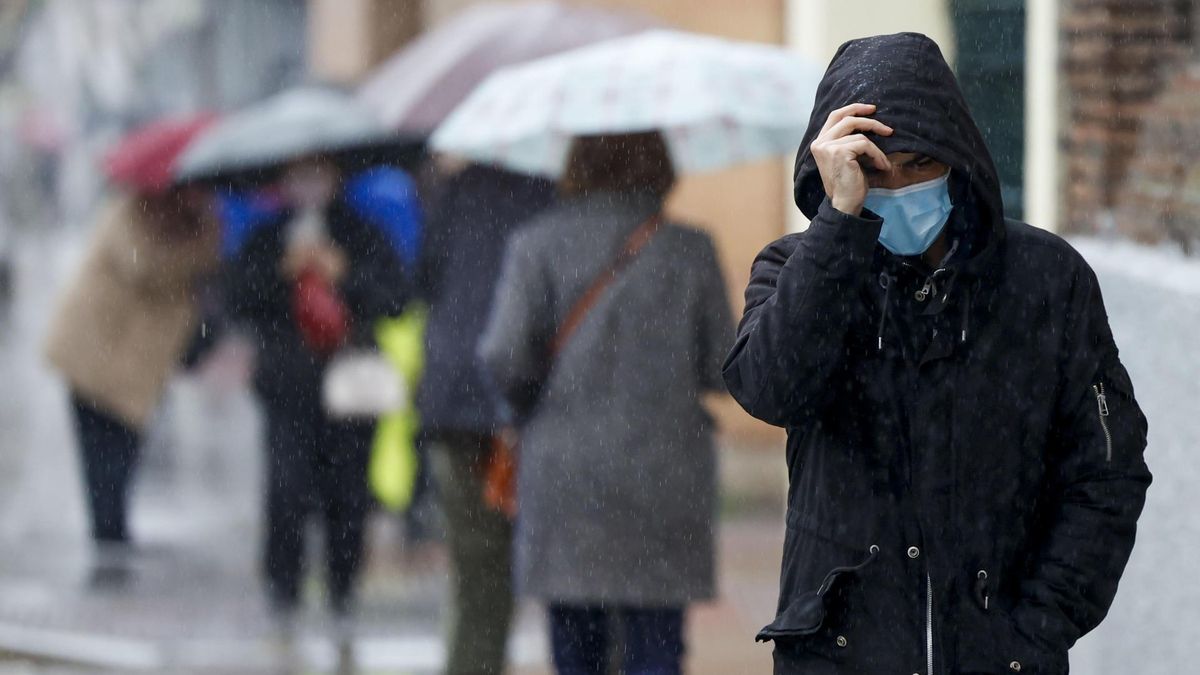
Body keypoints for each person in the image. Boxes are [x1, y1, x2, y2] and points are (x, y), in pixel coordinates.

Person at [722, 33, 1151, 674]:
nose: (898, 185)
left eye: (920, 163)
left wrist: (1034, 630)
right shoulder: (796, 270)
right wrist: (840, 224)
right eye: (874, 168)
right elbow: (769, 389)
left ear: (957, 160)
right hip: (840, 655)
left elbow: (1106, 472)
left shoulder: (1045, 280)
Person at [480, 132, 734, 675]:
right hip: (665, 472)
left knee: (576, 644)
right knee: (657, 644)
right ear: (660, 165)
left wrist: (532, 393)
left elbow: (503, 354)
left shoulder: (537, 244)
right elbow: (724, 366)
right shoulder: (690, 249)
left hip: (566, 473)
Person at [224, 156, 409, 619]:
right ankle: (283, 589)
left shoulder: (362, 233)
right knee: (286, 488)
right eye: (298, 176)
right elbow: (238, 300)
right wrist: (281, 273)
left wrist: (344, 275)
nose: (308, 186)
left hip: (351, 386)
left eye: (318, 174)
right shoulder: (267, 236)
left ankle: (343, 589)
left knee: (348, 493)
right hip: (288, 387)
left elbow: (395, 299)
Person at [416, 163, 554, 674]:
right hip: (526, 404)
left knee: (475, 571)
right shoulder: (551, 195)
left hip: (453, 398)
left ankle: (474, 663)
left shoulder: (455, 191)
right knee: (560, 574)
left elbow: (423, 280)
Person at [45, 186, 219, 578]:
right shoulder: (126, 213)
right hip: (92, 355)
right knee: (103, 462)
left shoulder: (201, 225)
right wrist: (193, 256)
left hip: (138, 368)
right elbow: (143, 268)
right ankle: (108, 551)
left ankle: (113, 542)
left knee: (124, 458)